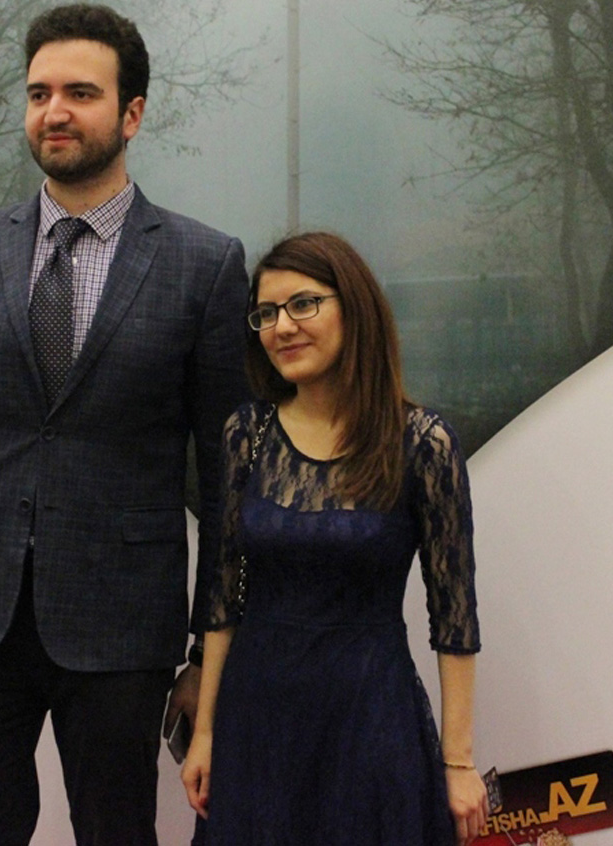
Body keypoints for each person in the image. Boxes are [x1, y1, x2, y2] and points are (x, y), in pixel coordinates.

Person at [0, 3, 249, 846]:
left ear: (132, 113)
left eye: (79, 93)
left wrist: (208, 655)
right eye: (38, 94)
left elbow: (226, 483)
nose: (54, 112)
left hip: (120, 625)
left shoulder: (204, 266)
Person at [181, 232, 489, 845]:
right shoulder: (246, 433)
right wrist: (206, 733)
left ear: (355, 306)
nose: (282, 327)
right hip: (257, 720)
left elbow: (454, 615)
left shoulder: (422, 443)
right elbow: (221, 599)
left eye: (303, 304)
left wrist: (458, 761)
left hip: (370, 717)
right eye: (265, 314)